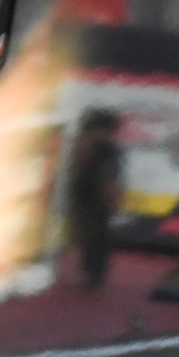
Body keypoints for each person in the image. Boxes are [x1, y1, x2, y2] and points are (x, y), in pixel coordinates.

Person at [66, 108, 124, 289]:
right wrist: (113, 198)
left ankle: (93, 275)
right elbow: (108, 176)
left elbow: (105, 176)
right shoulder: (104, 145)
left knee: (94, 237)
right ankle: (94, 275)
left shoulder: (92, 144)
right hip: (93, 198)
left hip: (89, 197)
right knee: (96, 237)